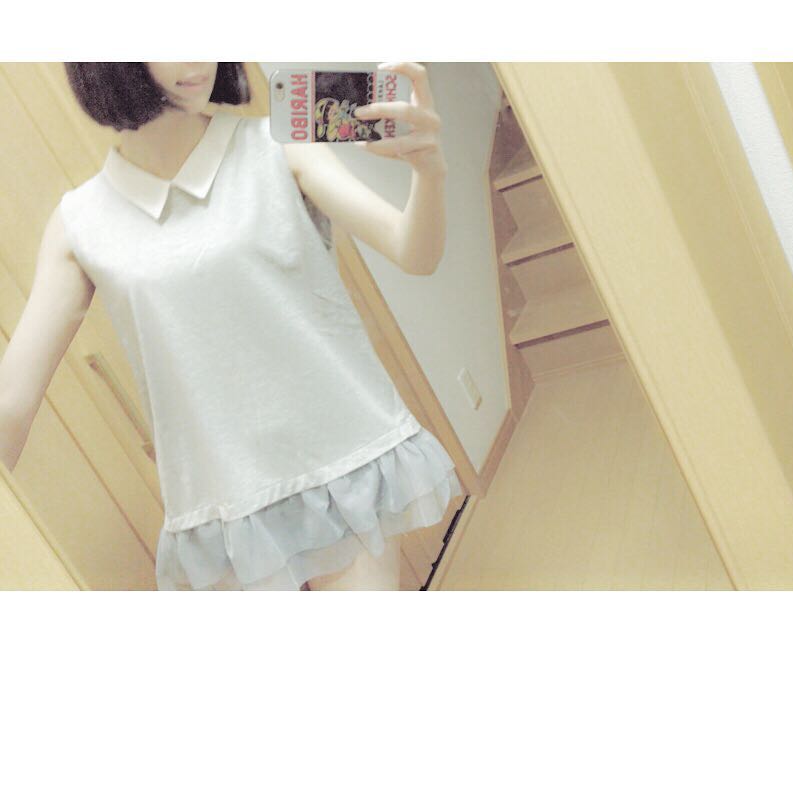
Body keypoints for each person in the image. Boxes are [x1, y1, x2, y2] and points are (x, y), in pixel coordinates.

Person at [0, 62, 462, 590]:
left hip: (342, 463)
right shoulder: (80, 224)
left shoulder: (279, 145)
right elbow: (11, 401)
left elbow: (414, 253)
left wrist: (429, 172)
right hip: (225, 507)